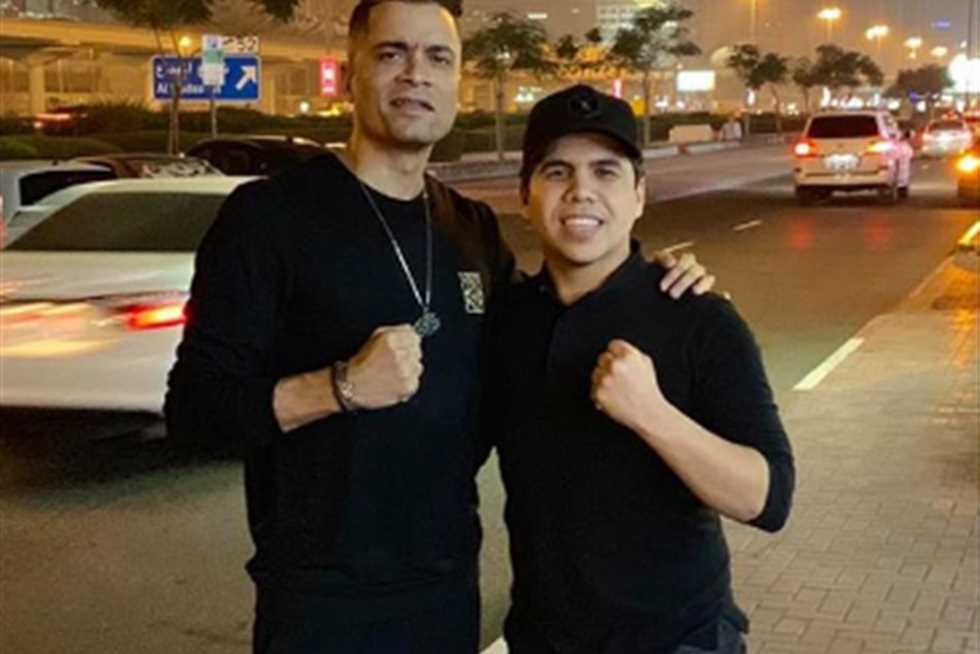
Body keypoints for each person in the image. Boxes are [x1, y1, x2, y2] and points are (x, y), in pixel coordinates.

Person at [165, 2, 713, 652]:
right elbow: (196, 411)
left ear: (456, 81)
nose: (415, 74)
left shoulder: (471, 228)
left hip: (449, 593)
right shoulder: (269, 218)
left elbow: (550, 331)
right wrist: (339, 387)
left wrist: (657, 286)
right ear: (351, 74)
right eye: (391, 53)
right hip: (321, 604)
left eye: (437, 57)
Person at [483, 85, 795, 654]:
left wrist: (653, 415)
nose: (581, 192)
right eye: (557, 172)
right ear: (526, 194)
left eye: (606, 172)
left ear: (639, 195)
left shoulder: (697, 317)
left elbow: (767, 499)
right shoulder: (506, 322)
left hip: (678, 639)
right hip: (542, 639)